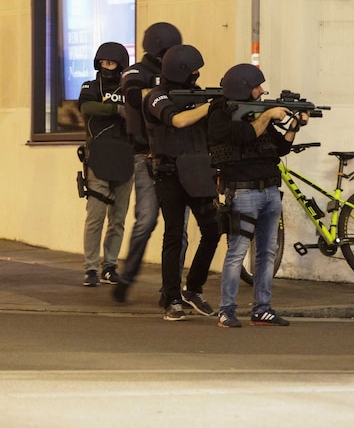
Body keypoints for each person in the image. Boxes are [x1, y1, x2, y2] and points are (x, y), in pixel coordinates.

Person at [207, 63, 306, 327]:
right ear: (242, 88)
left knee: (267, 253)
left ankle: (262, 308)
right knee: (237, 252)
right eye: (256, 87)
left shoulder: (259, 114)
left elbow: (280, 148)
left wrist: (294, 124)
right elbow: (244, 136)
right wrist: (267, 115)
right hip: (243, 190)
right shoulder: (221, 114)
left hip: (270, 190)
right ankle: (226, 310)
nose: (262, 91)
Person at [143, 44, 221, 321]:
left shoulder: (198, 96)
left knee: (213, 229)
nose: (198, 74)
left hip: (199, 170)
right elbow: (177, 120)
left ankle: (194, 289)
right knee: (174, 235)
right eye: (194, 70)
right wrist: (210, 107)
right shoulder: (157, 96)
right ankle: (171, 297)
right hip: (169, 172)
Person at [113, 22, 189, 304]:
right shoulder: (137, 72)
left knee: (178, 228)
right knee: (146, 221)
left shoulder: (177, 73)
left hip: (176, 155)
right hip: (145, 155)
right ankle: (127, 276)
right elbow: (132, 92)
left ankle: (170, 290)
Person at [78, 42, 134, 286]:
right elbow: (86, 107)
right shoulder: (90, 87)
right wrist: (115, 109)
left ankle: (109, 266)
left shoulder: (129, 88)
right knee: (95, 217)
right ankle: (91, 268)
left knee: (118, 218)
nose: (106, 67)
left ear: (120, 65)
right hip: (98, 158)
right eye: (103, 63)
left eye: (111, 64)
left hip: (125, 157)